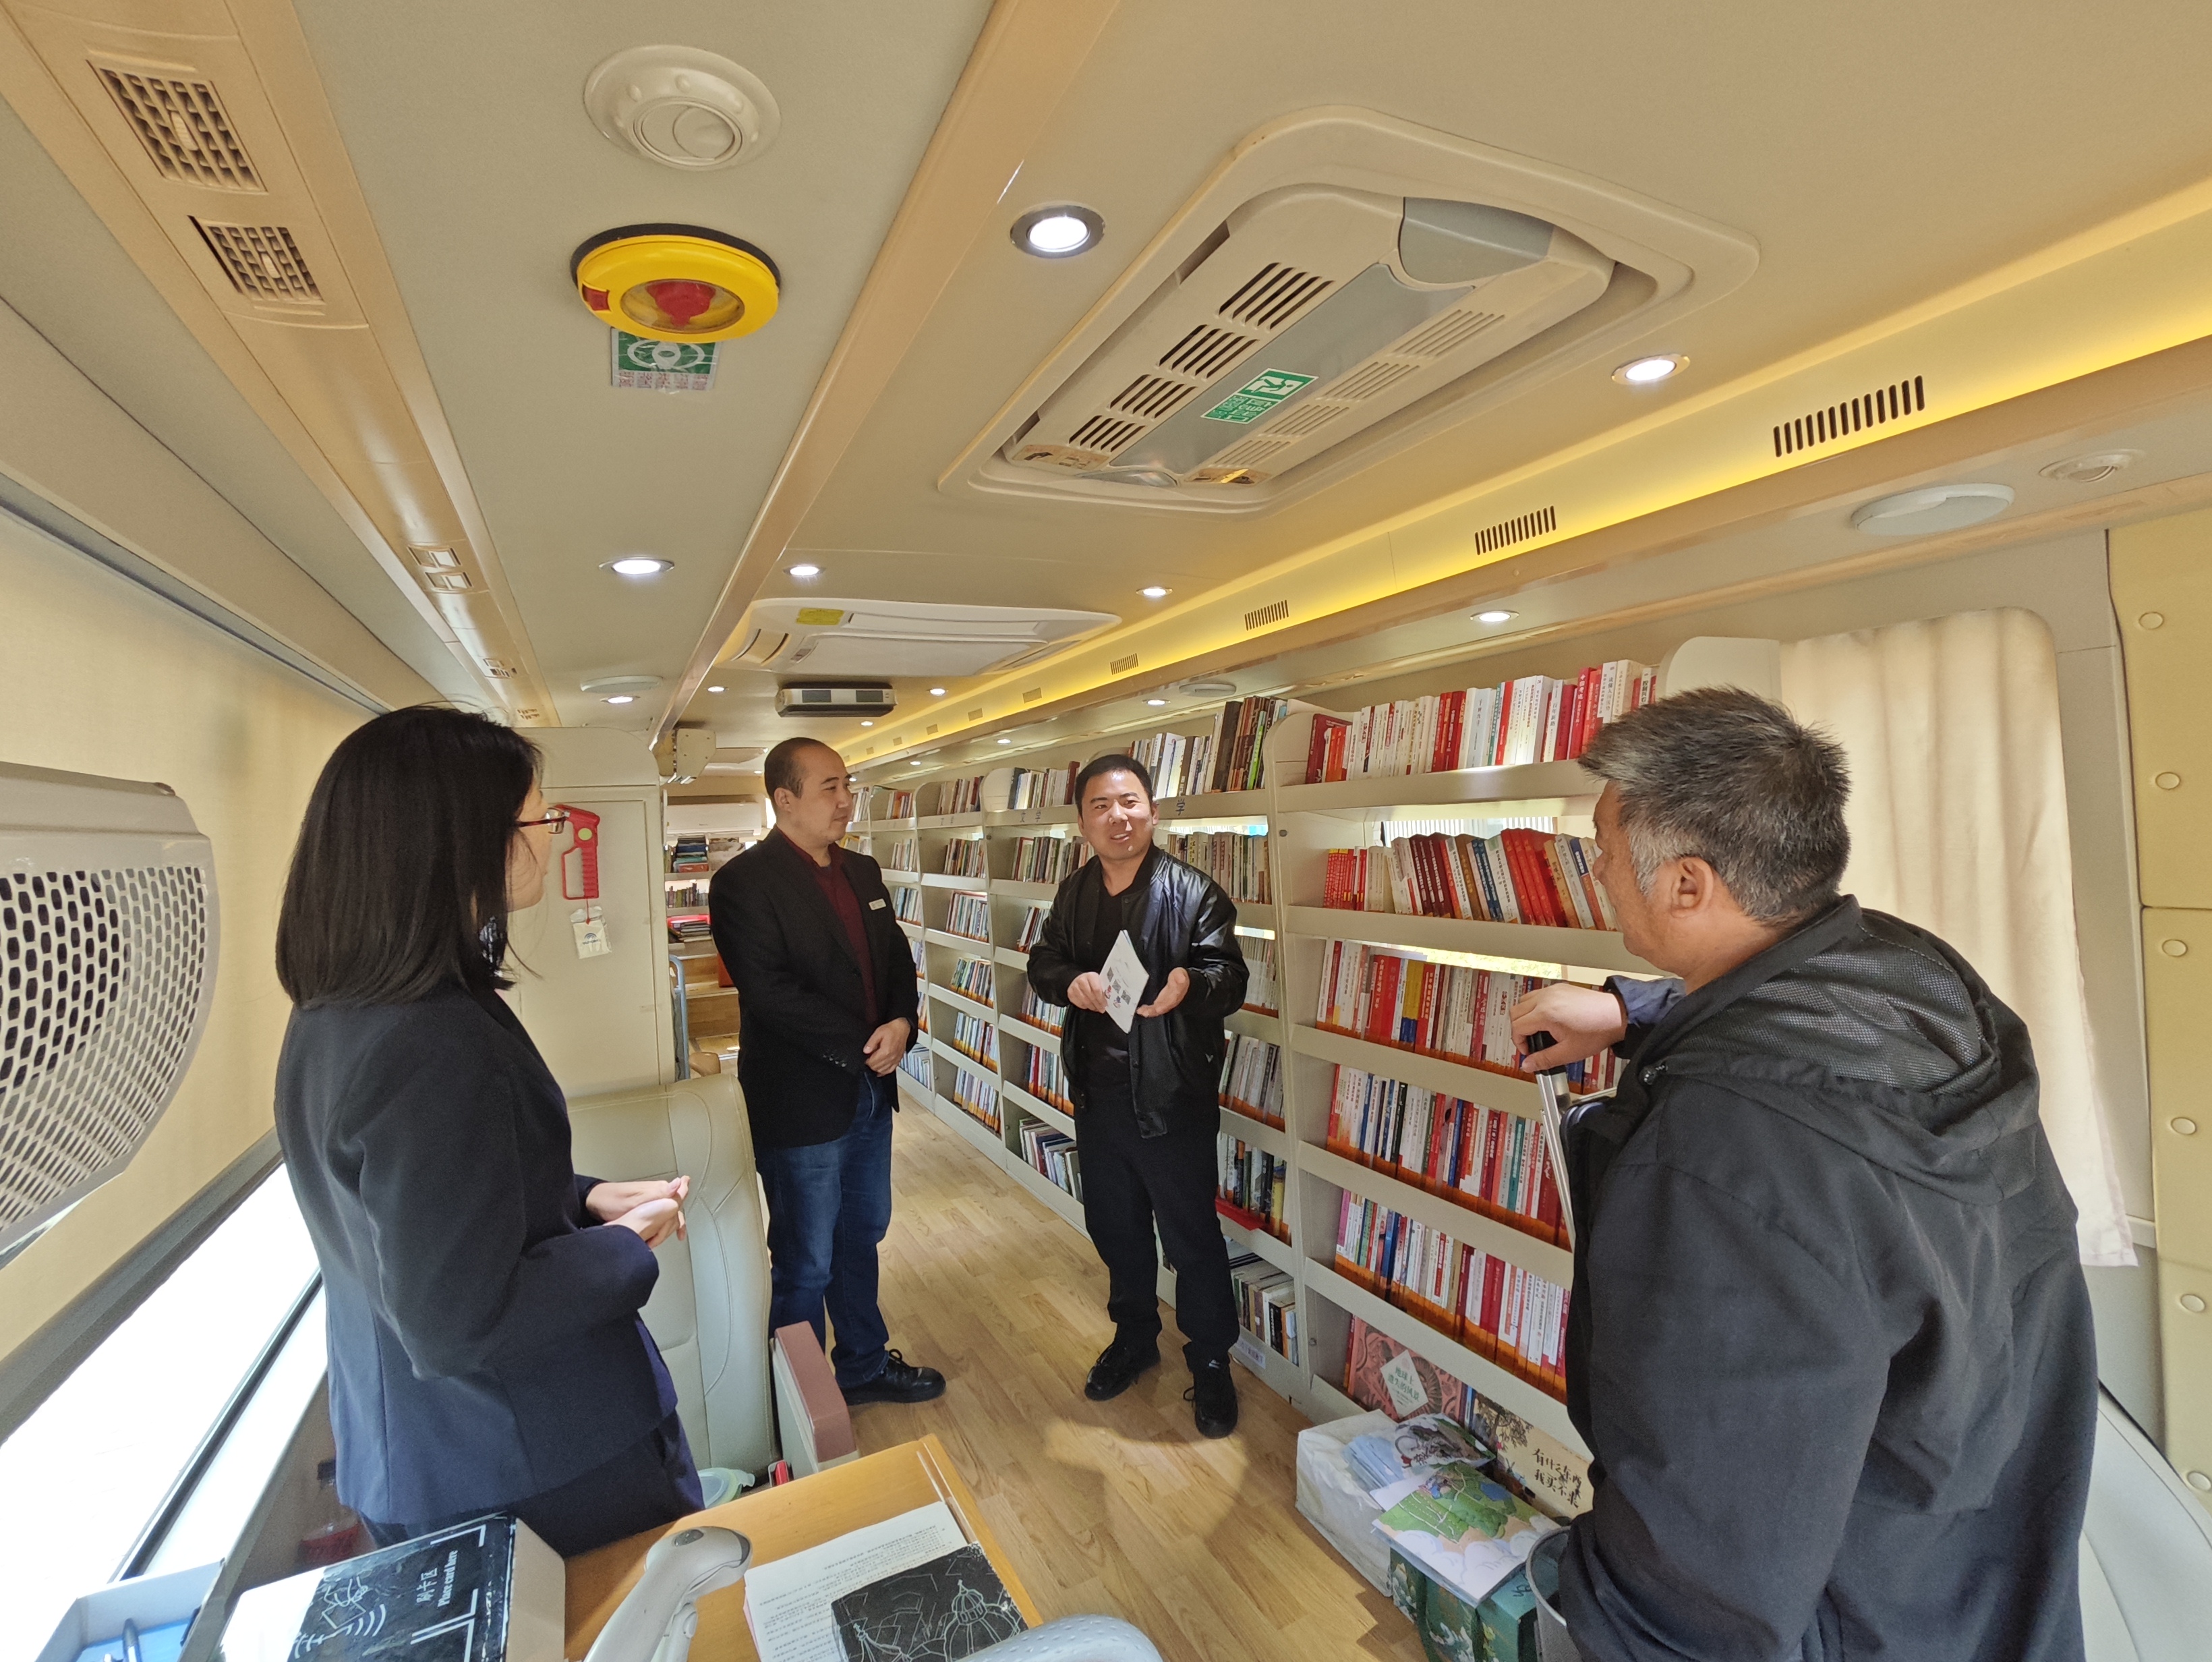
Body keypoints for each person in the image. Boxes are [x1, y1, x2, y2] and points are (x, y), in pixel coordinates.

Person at [1508, 687, 2095, 1662]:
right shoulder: (1918, 975)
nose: (1596, 866)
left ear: (1687, 884)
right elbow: (1810, 1034)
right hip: (1977, 1554)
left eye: (1602, 845)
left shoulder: (1723, 1152)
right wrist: (1632, 1013)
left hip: (1840, 1610)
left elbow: (1705, 1524)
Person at [274, 707, 701, 1557]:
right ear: (467, 843)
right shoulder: (432, 1042)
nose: (547, 838)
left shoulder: (329, 1019)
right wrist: (625, 1244)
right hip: (535, 1465)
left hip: (421, 1450)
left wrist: (583, 1199)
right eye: (537, 820)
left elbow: (420, 1208)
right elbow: (459, 1317)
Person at [709, 737, 943, 1406]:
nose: (846, 800)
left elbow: (895, 959)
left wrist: (902, 1022)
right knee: (805, 1257)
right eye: (830, 788)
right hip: (801, 1099)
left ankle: (863, 1366)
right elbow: (770, 992)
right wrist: (866, 1042)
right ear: (784, 799)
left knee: (861, 1236)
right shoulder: (743, 882)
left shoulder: (862, 870)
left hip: (870, 1089)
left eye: (848, 785)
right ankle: (803, 1400)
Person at [1026, 754, 1250, 1437]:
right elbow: (1043, 962)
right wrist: (1070, 982)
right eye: (1101, 805)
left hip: (1171, 1094)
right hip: (1099, 1096)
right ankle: (1134, 1336)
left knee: (1191, 1236)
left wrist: (1192, 984)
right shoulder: (1074, 892)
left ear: (1152, 810)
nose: (1117, 817)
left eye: (1129, 802)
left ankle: (1209, 1359)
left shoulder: (1195, 891)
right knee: (1115, 1227)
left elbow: (1230, 976)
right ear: (1082, 822)